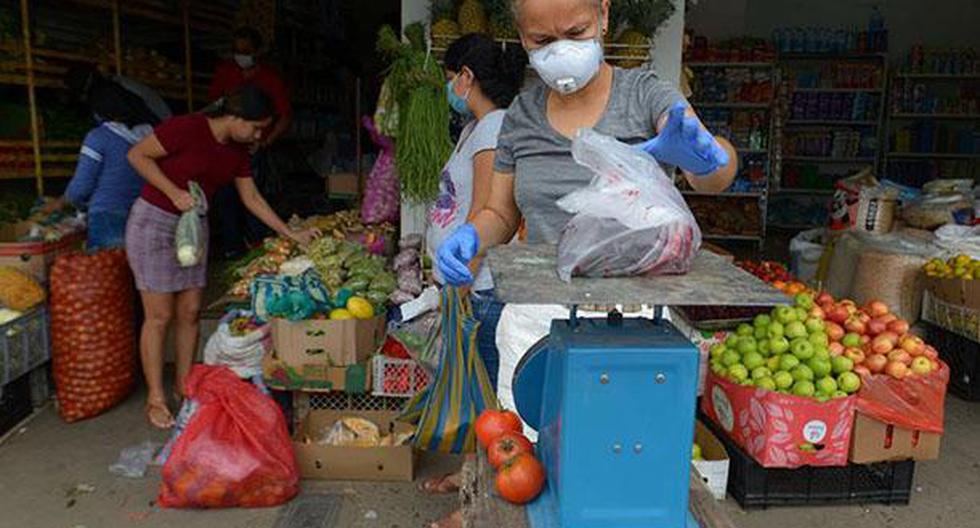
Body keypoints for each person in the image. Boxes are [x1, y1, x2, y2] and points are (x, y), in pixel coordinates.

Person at [433, 2, 737, 523]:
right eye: (540, 41)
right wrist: (470, 234)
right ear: (520, 37)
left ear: (603, 13)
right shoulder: (522, 116)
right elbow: (500, 214)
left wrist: (703, 159)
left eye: (574, 31)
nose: (560, 51)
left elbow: (716, 171)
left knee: (620, 478)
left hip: (636, 323)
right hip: (534, 322)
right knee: (530, 482)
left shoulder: (645, 94)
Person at [125, 84, 318, 429]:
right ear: (234, 116)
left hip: (194, 227)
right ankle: (155, 397)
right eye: (255, 126)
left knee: (190, 312)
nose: (258, 134)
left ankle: (186, 388)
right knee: (159, 315)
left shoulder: (238, 151)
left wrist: (291, 233)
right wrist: (173, 192)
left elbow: (252, 199)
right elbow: (137, 155)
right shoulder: (187, 127)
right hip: (154, 222)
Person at [420, 33, 528, 515]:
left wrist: (464, 281)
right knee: (476, 396)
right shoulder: (477, 126)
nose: (449, 88)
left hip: (480, 288)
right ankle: (469, 480)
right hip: (469, 284)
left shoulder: (494, 128)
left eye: (450, 79)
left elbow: (490, 214)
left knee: (490, 407)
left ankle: (475, 509)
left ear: (466, 77)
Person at [208, 26, 293, 256]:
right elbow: (214, 106)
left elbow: (285, 117)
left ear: (258, 51)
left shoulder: (269, 79)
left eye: (246, 51)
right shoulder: (225, 72)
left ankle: (257, 250)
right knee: (226, 201)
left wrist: (264, 142)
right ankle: (232, 251)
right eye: (237, 50)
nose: (241, 55)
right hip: (225, 151)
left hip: (254, 152)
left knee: (254, 200)